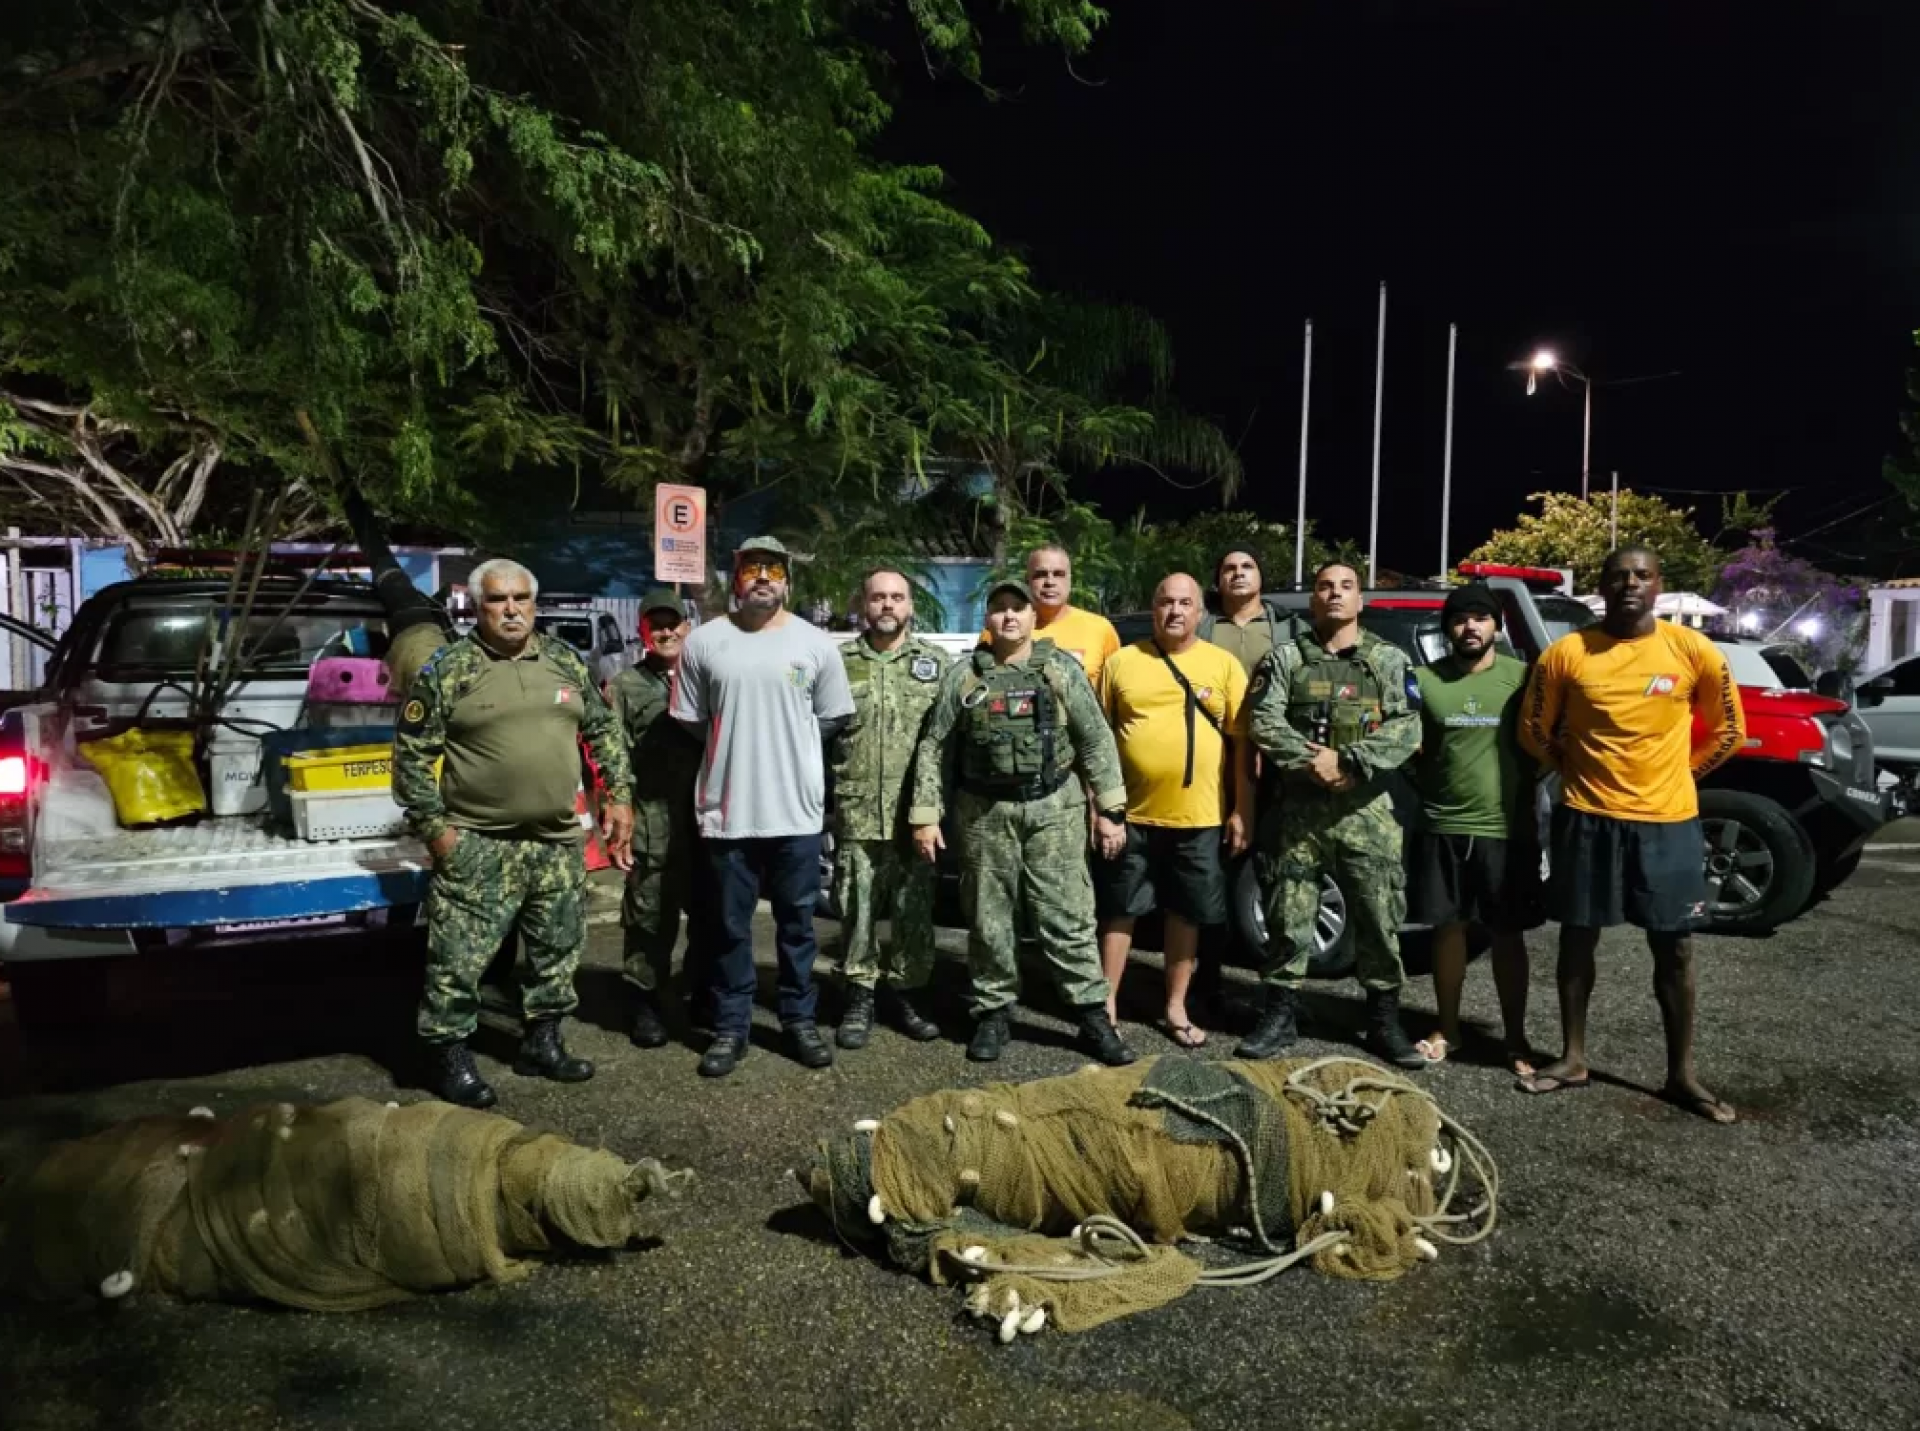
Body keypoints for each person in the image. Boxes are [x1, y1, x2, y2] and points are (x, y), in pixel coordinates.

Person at [392, 557, 635, 1108]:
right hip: (478, 843)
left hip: (554, 841)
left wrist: (619, 793)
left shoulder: (563, 662)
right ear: (478, 607)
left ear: (534, 602)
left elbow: (603, 730)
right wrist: (436, 832)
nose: (511, 610)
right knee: (458, 962)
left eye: (521, 599)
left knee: (558, 951)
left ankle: (542, 1043)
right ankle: (449, 1057)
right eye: (497, 600)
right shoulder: (449, 669)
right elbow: (410, 755)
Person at [1517, 545, 1746, 1122]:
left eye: (1641, 575)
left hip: (1667, 823)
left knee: (1675, 947)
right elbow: (1533, 730)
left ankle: (1681, 1074)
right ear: (1603, 585)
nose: (1629, 585)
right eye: (1618, 576)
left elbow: (1730, 730)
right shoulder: (1568, 653)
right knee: (1577, 936)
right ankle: (1572, 1057)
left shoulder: (1691, 648)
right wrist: (1570, 769)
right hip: (1586, 816)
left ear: (1658, 584)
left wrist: (1679, 772)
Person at [911, 578, 1136, 1066]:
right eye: (999, 610)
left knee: (1068, 916)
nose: (1009, 616)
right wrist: (926, 816)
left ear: (1035, 618)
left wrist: (1112, 810)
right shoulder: (964, 678)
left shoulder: (1060, 670)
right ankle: (992, 1013)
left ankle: (1093, 1016)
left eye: (1019, 608)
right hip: (983, 814)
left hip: (1054, 809)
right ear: (987, 621)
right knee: (989, 919)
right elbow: (935, 747)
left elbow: (1096, 739)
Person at [671, 536, 856, 1079]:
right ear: (735, 578)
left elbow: (829, 718)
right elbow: (691, 719)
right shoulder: (705, 642)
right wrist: (738, 744)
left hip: (796, 815)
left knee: (798, 925)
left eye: (772, 569)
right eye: (751, 567)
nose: (762, 577)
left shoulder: (816, 644)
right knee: (729, 927)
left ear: (787, 580)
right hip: (728, 813)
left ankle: (799, 1019)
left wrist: (785, 747)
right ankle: (732, 1027)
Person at [1240, 561, 1424, 1067]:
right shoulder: (1284, 661)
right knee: (1288, 914)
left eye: (1346, 587)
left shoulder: (1387, 661)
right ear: (1313, 601)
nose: (1335, 594)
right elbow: (1263, 719)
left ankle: (1384, 1021)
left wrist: (1350, 762)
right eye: (1325, 587)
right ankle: (1279, 1016)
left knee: (1378, 913)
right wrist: (1313, 761)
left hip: (1365, 809)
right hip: (1298, 811)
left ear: (1360, 601)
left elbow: (1408, 727)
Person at [1095, 574, 1253, 1048]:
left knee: (1186, 914)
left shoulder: (1223, 665)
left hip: (1199, 818)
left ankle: (1175, 1007)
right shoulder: (1122, 662)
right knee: (1119, 911)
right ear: (1153, 606)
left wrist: (1243, 808)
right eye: (1166, 602)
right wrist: (1100, 810)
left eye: (1185, 603)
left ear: (1200, 613)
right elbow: (1098, 744)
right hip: (1131, 815)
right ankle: (1106, 1007)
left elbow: (1242, 746)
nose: (1175, 611)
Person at [1404, 584, 1543, 1071]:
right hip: (1442, 826)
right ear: (1447, 628)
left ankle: (1517, 1040)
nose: (1470, 626)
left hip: (1505, 830)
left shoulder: (1523, 677)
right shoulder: (1423, 679)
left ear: (1496, 627)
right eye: (1460, 618)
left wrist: (1524, 788)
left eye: (1480, 618)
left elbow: (1544, 745)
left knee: (1508, 934)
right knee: (1448, 930)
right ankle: (1449, 1028)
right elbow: (1406, 747)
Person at [830, 569, 949, 1049]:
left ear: (910, 606)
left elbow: (945, 745)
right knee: (855, 910)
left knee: (913, 912)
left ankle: (907, 994)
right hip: (857, 811)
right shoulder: (837, 662)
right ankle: (859, 997)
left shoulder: (937, 664)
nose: (887, 605)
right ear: (863, 603)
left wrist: (935, 810)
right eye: (878, 597)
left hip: (916, 817)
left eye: (897, 597)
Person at [608, 589, 710, 1049]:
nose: (666, 631)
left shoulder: (708, 677)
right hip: (653, 820)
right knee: (650, 917)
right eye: (656, 624)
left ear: (687, 627)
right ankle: (644, 1000)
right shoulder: (626, 686)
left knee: (711, 914)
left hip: (708, 818)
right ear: (643, 631)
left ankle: (701, 991)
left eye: (673, 623)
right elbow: (613, 756)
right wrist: (618, 813)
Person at [978, 545, 1122, 685]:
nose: (1050, 582)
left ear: (1070, 579)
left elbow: (1114, 692)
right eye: (1040, 575)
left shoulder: (1100, 629)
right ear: (1027, 580)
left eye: (1059, 574)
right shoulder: (1000, 630)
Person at [1198, 548, 1303, 677]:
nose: (1238, 573)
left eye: (1247, 566)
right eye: (1230, 568)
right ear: (1218, 581)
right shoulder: (1198, 626)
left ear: (1261, 577)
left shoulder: (1291, 627)